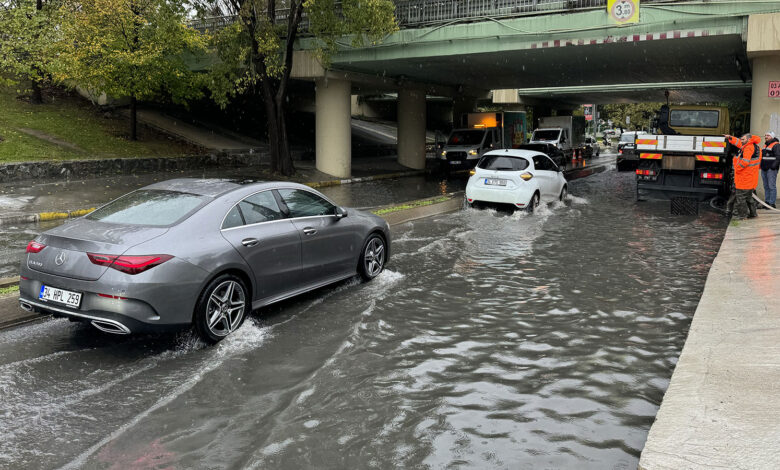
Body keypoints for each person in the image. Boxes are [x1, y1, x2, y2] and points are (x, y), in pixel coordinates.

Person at [724, 133, 762, 219]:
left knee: (740, 198)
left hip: (744, 178)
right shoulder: (753, 146)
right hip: (750, 177)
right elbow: (738, 142)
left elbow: (745, 162)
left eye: (743, 139)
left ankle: (741, 215)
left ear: (748, 140)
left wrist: (737, 169)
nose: (741, 141)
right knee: (748, 198)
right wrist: (730, 137)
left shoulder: (748, 148)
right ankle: (753, 214)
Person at [760, 131, 779, 208]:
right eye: (765, 135)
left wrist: (773, 167)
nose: (766, 136)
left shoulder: (776, 145)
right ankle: (767, 202)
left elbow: (778, 157)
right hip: (764, 168)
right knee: (766, 186)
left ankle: (772, 203)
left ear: (772, 137)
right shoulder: (765, 145)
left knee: (771, 186)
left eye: (768, 135)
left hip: (771, 169)